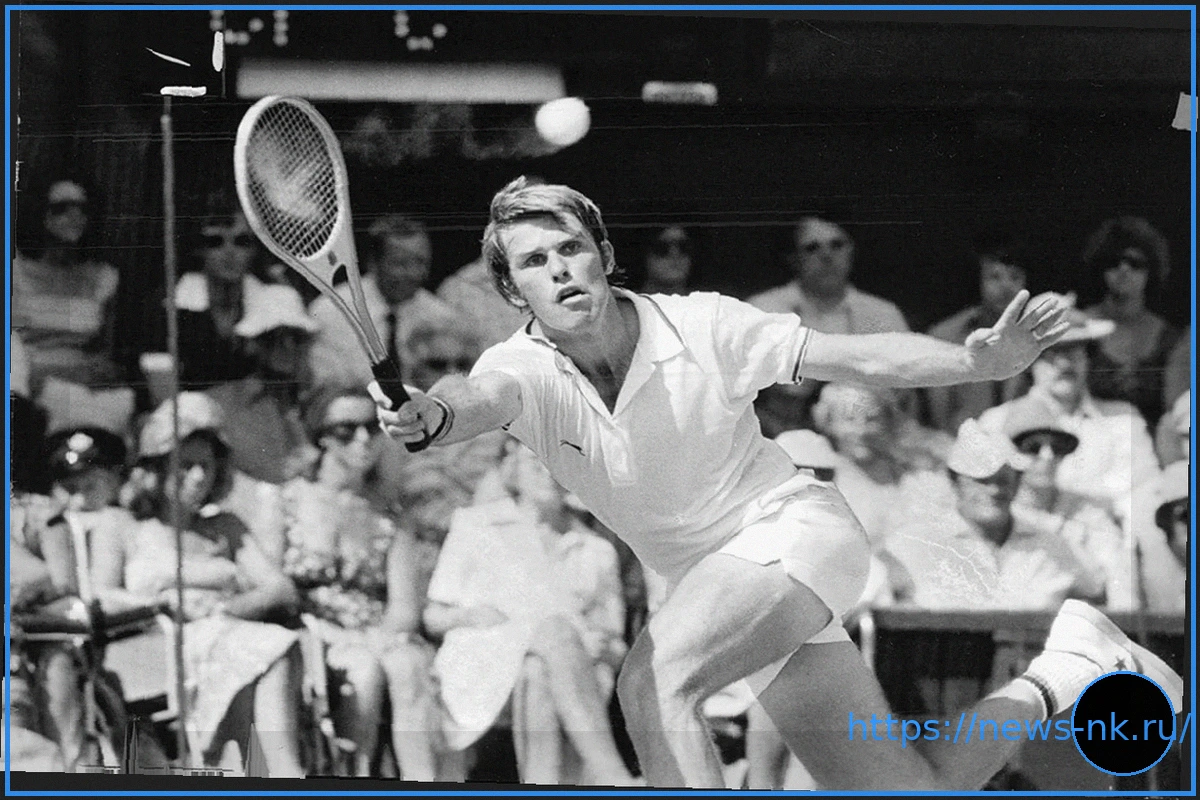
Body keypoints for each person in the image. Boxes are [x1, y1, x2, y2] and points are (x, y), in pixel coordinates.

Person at [372, 177, 1180, 790]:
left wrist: (974, 363)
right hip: (715, 590)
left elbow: (859, 357)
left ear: (605, 255)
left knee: (653, 682)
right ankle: (1068, 668)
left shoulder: (705, 324)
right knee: (910, 791)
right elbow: (474, 400)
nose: (559, 269)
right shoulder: (518, 367)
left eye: (570, 248)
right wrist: (430, 416)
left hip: (794, 536)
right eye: (534, 262)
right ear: (513, 291)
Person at [96, 392, 306, 776]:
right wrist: (163, 605)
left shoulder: (225, 527)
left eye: (206, 466)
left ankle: (273, 769)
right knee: (267, 649)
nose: (198, 477)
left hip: (231, 634)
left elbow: (280, 588)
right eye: (185, 465)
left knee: (265, 648)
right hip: (156, 646)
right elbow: (101, 596)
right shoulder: (122, 525)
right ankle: (277, 771)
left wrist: (224, 610)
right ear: (155, 468)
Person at [424, 442, 634, 786]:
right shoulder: (477, 525)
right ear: (513, 468)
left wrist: (598, 645)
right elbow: (433, 616)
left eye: (560, 462)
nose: (548, 472)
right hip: (485, 666)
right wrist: (471, 617)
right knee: (554, 632)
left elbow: (615, 646)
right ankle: (614, 776)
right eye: (537, 460)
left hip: (569, 676)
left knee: (539, 667)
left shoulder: (596, 549)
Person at [279, 385, 441, 779]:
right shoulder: (288, 501)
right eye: (345, 430)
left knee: (407, 665)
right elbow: (273, 583)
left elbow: (404, 607)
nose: (362, 439)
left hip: (374, 634)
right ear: (320, 436)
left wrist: (375, 639)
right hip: (310, 635)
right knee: (364, 673)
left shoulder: (388, 515)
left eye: (371, 427)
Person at [977, 293, 1160, 527]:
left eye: (1073, 352)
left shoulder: (1123, 420)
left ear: (1088, 357)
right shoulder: (996, 423)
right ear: (1027, 362)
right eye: (1050, 354)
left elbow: (1143, 493)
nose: (1064, 364)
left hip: (1104, 538)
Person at [883, 419, 1106, 611]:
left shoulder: (1052, 545)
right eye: (982, 480)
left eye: (1003, 480)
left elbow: (1096, 593)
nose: (994, 490)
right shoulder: (918, 542)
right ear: (955, 482)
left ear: (1017, 484)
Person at [746, 215, 911, 438]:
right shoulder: (764, 310)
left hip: (870, 439)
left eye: (837, 245)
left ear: (851, 250)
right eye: (812, 248)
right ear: (793, 258)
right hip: (783, 436)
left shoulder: (883, 314)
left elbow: (904, 397)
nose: (827, 255)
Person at [309, 214, 457, 387]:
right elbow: (324, 385)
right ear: (373, 263)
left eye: (421, 262)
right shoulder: (332, 311)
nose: (413, 273)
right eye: (400, 264)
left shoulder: (441, 318)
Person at [12, 175, 124, 396]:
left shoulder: (105, 278)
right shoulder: (15, 272)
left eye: (82, 209)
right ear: (39, 213)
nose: (74, 216)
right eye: (61, 208)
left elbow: (107, 356)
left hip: (80, 389)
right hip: (21, 388)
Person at [206, 284, 321, 487]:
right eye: (275, 337)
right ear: (255, 343)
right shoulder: (221, 404)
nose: (287, 347)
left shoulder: (319, 402)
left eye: (295, 337)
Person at [1081, 216, 1181, 429]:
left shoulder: (1169, 337)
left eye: (1135, 263)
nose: (1124, 269)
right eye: (1114, 262)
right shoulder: (1079, 326)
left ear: (1151, 270)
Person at [926, 235, 1032, 434]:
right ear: (978, 281)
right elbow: (939, 417)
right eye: (994, 277)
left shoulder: (1034, 335)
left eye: (1015, 277)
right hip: (962, 443)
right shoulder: (946, 335)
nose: (1006, 286)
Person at [172, 206, 274, 389]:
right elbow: (163, 393)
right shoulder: (170, 308)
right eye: (215, 242)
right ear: (199, 250)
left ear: (254, 249)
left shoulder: (272, 303)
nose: (230, 252)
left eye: (241, 241)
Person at [637, 226, 696, 296]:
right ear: (645, 253)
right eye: (662, 247)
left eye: (683, 246)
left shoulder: (703, 301)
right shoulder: (627, 301)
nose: (675, 254)